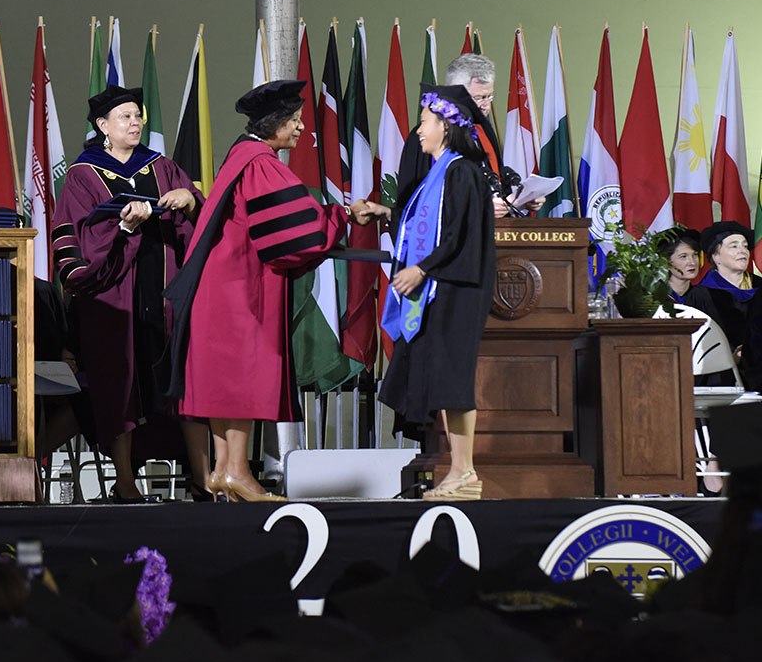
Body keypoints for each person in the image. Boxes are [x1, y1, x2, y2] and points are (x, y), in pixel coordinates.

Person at [167, 80, 372, 503]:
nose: (300, 130)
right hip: (242, 291)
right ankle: (239, 471)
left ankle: (224, 471)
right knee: (240, 378)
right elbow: (295, 234)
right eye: (294, 121)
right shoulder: (261, 162)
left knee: (222, 383)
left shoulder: (239, 156)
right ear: (274, 124)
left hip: (221, 286)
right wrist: (343, 216)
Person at [51, 85, 208, 502]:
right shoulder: (83, 175)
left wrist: (189, 199)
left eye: (138, 115)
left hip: (164, 291)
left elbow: (200, 219)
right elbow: (73, 234)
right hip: (112, 297)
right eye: (125, 117)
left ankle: (202, 480)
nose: (135, 122)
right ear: (103, 126)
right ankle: (124, 484)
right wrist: (122, 228)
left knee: (180, 380)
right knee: (119, 384)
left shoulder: (162, 166)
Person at [354, 84, 496, 500]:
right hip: (443, 287)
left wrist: (421, 269)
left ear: (446, 127)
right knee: (443, 381)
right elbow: (424, 223)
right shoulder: (440, 171)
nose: (418, 130)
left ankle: (465, 471)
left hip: (457, 288)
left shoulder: (462, 171)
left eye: (425, 121)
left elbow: (455, 235)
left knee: (453, 379)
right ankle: (459, 469)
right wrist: (384, 212)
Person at [395, 53, 543, 220]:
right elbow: (420, 201)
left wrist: (521, 200)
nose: (486, 106)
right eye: (479, 98)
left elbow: (495, 185)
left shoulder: (484, 133)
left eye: (489, 97)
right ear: (454, 95)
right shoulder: (426, 137)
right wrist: (480, 208)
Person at [685, 221, 759, 358]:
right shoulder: (702, 296)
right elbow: (696, 345)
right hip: (720, 372)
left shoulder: (758, 287)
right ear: (716, 256)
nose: (743, 251)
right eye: (734, 246)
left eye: (745, 246)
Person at [659, 227, 701, 303]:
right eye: (683, 256)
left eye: (695, 255)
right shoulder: (651, 299)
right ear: (666, 262)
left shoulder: (703, 298)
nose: (692, 263)